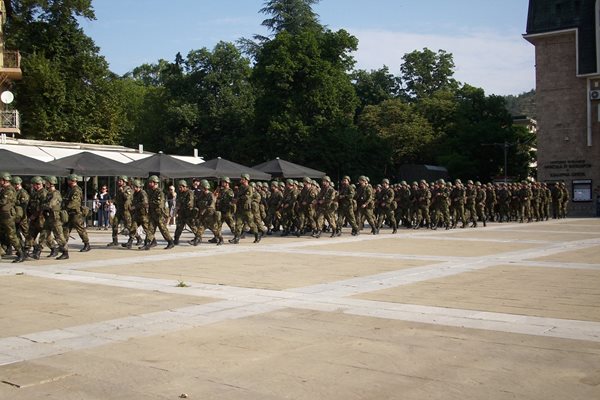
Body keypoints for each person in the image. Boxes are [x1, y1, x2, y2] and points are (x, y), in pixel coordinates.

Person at [143, 175, 174, 250]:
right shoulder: (150, 191)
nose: (149, 184)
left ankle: (170, 242)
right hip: (153, 214)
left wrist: (149, 203)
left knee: (163, 229)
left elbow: (160, 203)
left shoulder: (160, 192)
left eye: (151, 182)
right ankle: (147, 243)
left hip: (159, 214)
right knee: (150, 229)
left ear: (155, 183)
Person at [62, 174, 91, 252]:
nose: (67, 181)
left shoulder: (76, 190)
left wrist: (66, 208)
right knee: (66, 229)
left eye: (68, 180)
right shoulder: (70, 189)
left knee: (80, 229)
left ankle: (87, 244)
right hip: (69, 213)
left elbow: (74, 202)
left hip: (75, 213)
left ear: (72, 180)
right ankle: (63, 245)